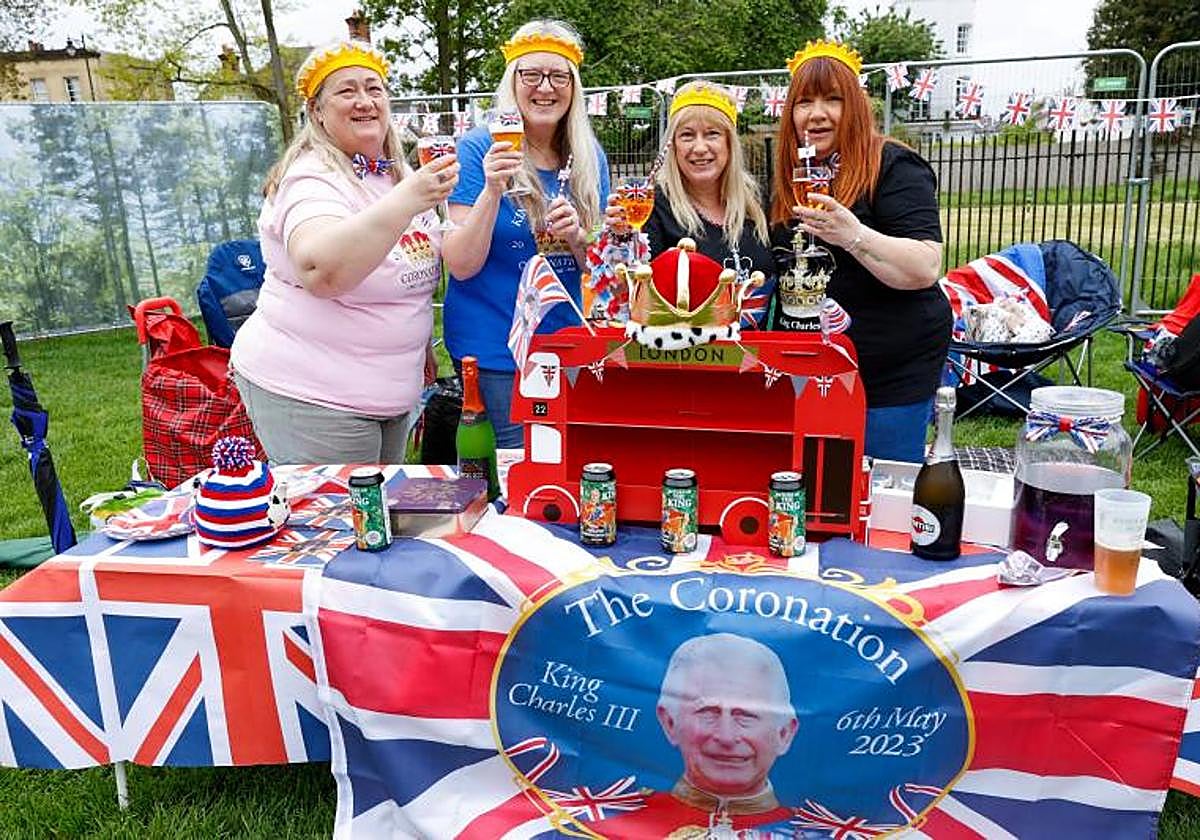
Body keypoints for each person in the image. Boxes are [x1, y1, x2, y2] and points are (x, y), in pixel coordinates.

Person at [230, 40, 458, 465]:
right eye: (347, 91)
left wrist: (419, 345)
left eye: (374, 89)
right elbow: (322, 270)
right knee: (342, 508)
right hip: (315, 393)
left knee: (379, 505)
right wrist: (408, 199)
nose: (364, 101)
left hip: (390, 390)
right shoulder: (311, 177)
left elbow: (410, 268)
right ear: (316, 110)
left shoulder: (396, 174)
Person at [770, 40, 951, 464]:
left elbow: (925, 266)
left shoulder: (892, 165)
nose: (816, 114)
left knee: (881, 482)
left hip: (891, 370)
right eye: (804, 102)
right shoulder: (792, 177)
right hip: (813, 368)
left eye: (832, 99)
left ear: (854, 105)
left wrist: (854, 235)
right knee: (817, 479)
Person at [442, 20, 610, 448]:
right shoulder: (479, 148)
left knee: (568, 461)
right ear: (512, 82)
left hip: (569, 345)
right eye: (531, 74)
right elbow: (460, 264)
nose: (545, 87)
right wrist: (492, 190)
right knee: (513, 467)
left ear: (573, 88)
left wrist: (577, 237)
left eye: (558, 76)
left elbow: (602, 270)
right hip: (497, 350)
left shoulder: (588, 156)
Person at [590, 633, 799, 838]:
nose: (726, 737)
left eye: (746, 715)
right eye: (708, 712)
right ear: (670, 722)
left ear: (784, 733)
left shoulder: (812, 833)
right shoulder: (595, 823)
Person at [606, 81, 772, 287]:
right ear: (673, 146)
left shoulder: (756, 200)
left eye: (712, 134)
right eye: (687, 135)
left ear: (729, 143)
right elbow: (627, 290)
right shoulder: (654, 209)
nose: (700, 148)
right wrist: (621, 240)